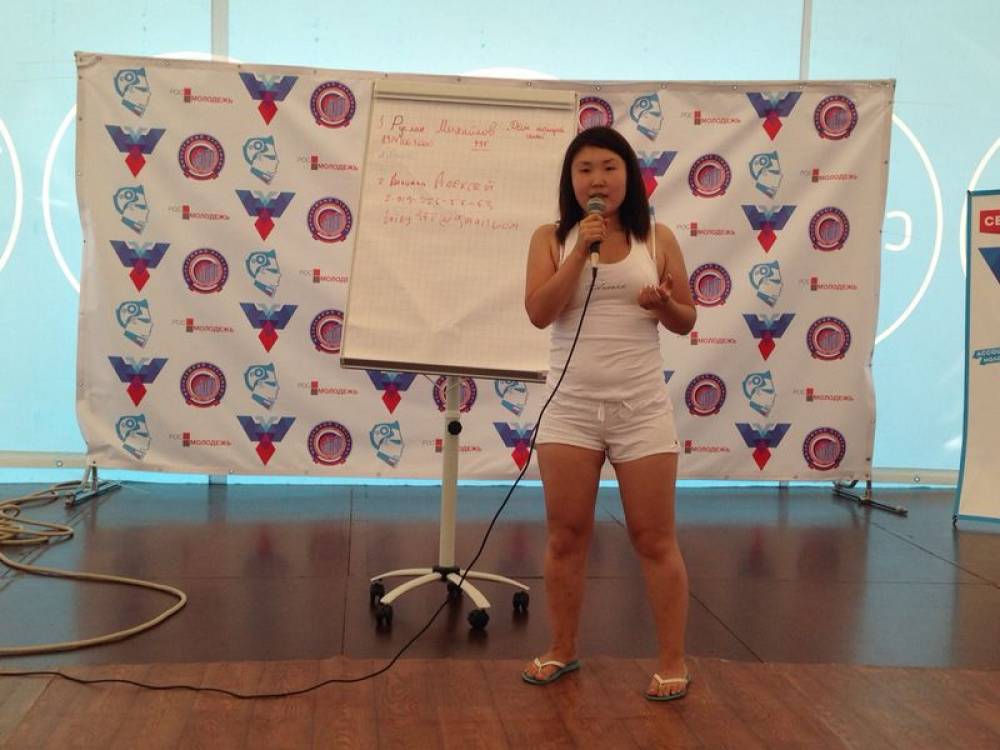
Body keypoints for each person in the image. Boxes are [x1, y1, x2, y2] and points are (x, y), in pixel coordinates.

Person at [521, 126, 696, 701]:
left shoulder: (658, 238)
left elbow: (686, 319)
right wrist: (579, 252)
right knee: (565, 536)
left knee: (654, 538)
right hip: (569, 409)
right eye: (585, 169)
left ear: (630, 176)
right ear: (571, 181)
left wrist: (664, 305)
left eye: (609, 167)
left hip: (640, 409)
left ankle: (672, 660)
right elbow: (540, 312)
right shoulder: (552, 238)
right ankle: (562, 649)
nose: (597, 179)